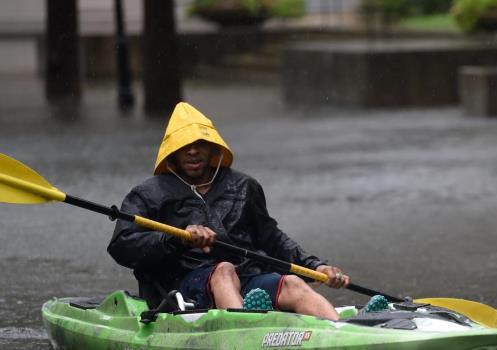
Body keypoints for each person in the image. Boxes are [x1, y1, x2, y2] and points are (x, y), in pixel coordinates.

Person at [108, 102, 349, 320]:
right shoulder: (147, 194)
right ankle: (248, 333)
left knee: (293, 282)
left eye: (200, 144)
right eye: (185, 145)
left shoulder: (244, 187)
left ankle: (343, 335)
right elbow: (122, 245)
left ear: (213, 149)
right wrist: (177, 239)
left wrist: (315, 267)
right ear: (172, 151)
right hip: (184, 287)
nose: (193, 151)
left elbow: (271, 238)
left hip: (247, 278)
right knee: (224, 270)